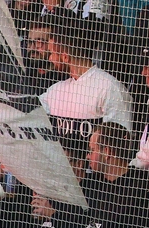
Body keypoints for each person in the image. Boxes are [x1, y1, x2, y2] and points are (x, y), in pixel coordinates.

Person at [41, 13, 133, 160]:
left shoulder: (109, 88)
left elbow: (120, 144)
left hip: (95, 178)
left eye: (52, 53)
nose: (50, 59)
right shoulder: (55, 91)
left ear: (65, 57)